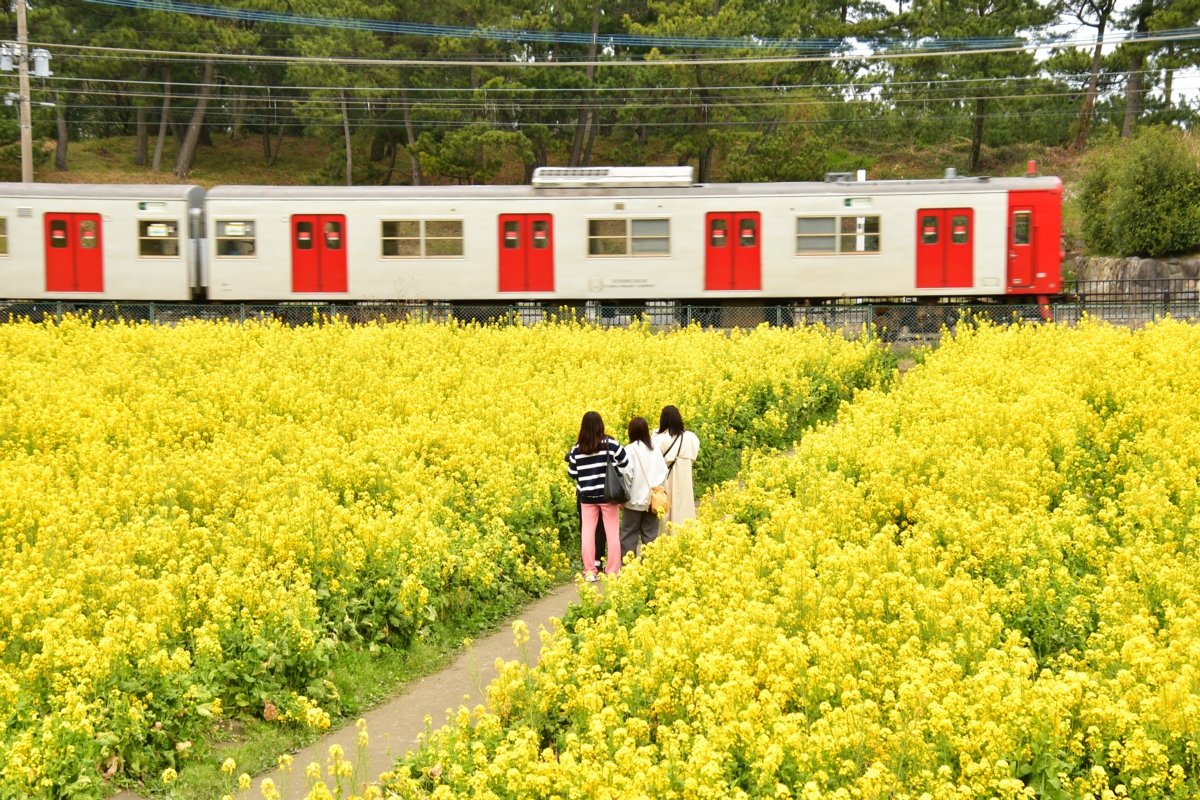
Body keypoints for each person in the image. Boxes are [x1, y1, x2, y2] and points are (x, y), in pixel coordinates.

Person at [566, 411, 629, 581]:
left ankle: (589, 572)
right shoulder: (611, 444)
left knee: (587, 533)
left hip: (587, 496)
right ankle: (612, 572)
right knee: (612, 532)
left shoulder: (577, 448)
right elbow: (625, 462)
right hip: (608, 496)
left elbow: (572, 472)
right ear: (601, 425)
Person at [621, 416, 668, 562]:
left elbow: (626, 474)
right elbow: (663, 471)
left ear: (631, 432)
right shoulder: (655, 448)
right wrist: (658, 491)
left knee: (629, 535)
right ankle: (649, 565)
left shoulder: (629, 449)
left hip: (633, 501)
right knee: (650, 535)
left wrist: (625, 494)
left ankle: (629, 567)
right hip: (652, 500)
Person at [652, 405, 701, 528]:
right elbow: (693, 458)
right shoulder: (691, 438)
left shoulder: (658, 439)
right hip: (685, 481)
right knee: (684, 507)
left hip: (665, 480)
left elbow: (654, 462)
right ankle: (685, 535)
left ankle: (667, 538)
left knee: (666, 509)